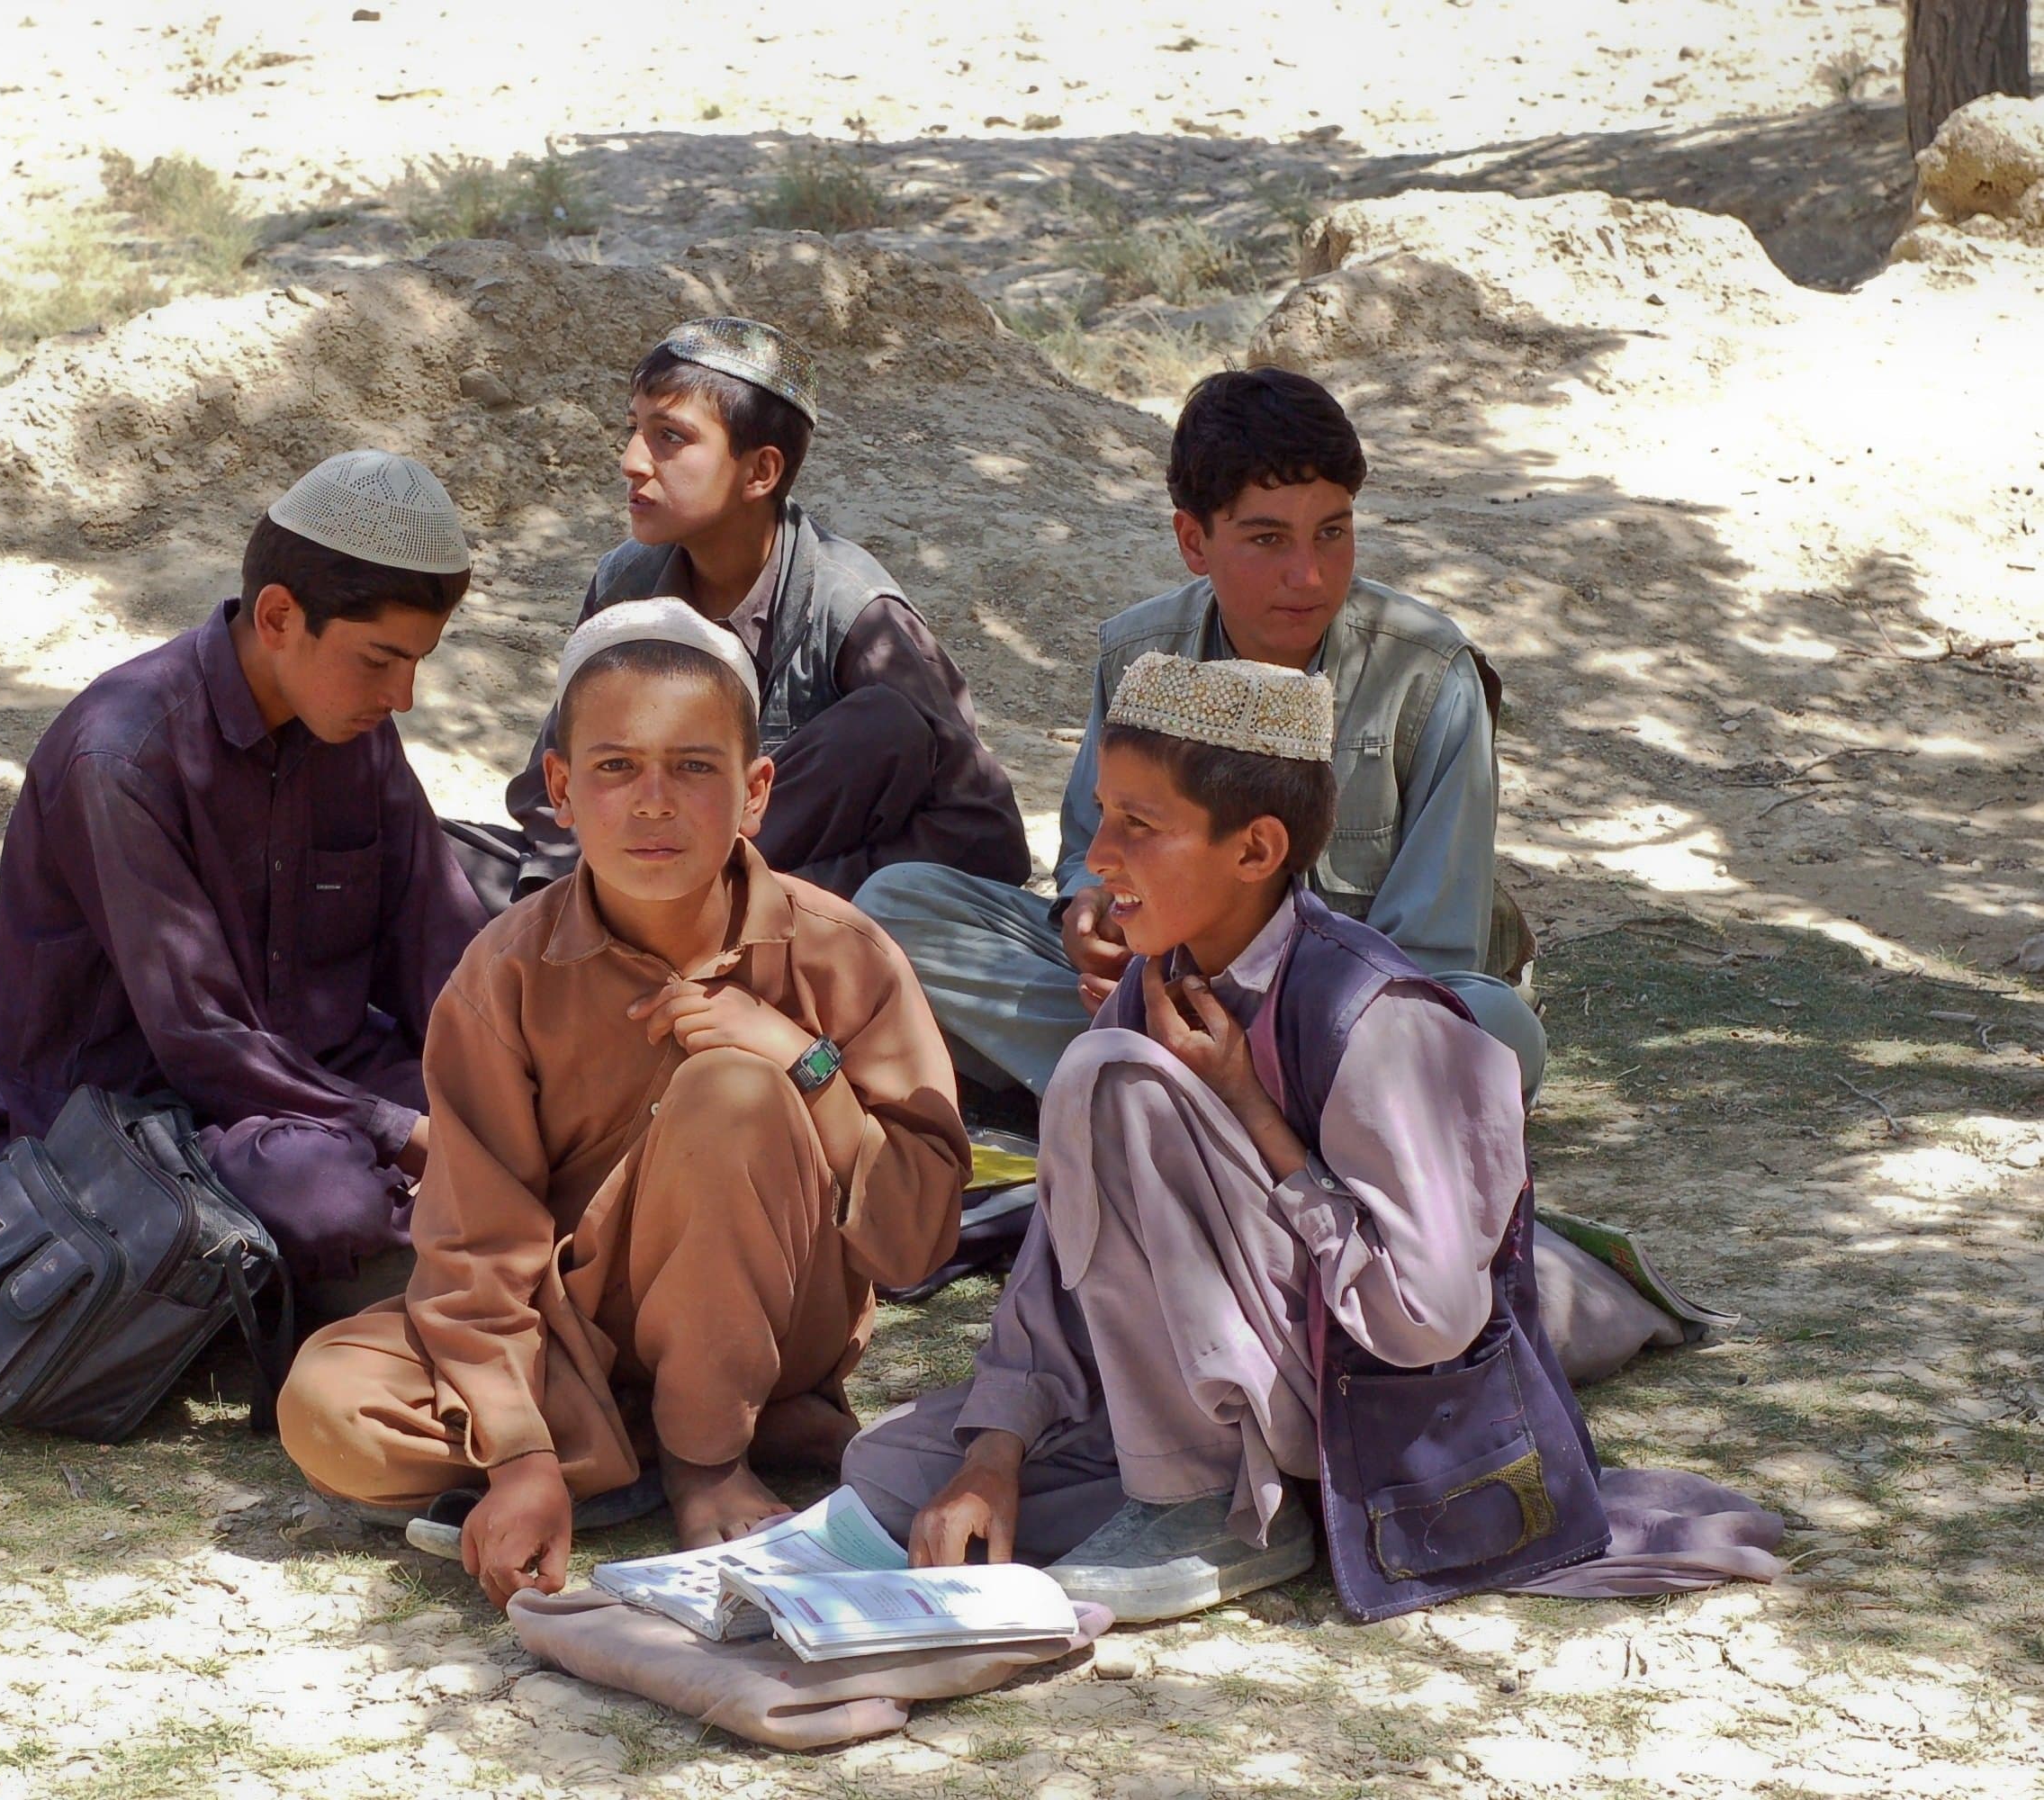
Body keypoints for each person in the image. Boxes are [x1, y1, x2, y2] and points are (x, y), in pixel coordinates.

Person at [842, 654, 1781, 1622]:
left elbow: (1428, 1317)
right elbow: (1058, 1255)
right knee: (889, 1470)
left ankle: (1212, 1503)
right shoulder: (1155, 981)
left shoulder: (1370, 1014)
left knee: (1106, 1077)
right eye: (1104, 815)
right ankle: (1193, 1467)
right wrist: (993, 1453)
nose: (1097, 861)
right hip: (1209, 1376)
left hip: (1354, 1401)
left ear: (1254, 851)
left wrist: (1250, 1107)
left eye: (1139, 825)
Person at [279, 599, 969, 1606]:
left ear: (755, 791)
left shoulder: (841, 955)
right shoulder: (505, 974)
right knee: (328, 1404)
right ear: (559, 786)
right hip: (574, 1334)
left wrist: (803, 1063)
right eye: (614, 766)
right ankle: (604, 1448)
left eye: (694, 766)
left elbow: (915, 1244)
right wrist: (517, 1452)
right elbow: (476, 1249)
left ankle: (705, 1462)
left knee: (734, 1088)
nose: (653, 802)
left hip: (776, 1319)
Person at [0, 452, 488, 1311]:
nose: (405, 696)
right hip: (155, 1109)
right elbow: (201, 1037)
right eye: (381, 660)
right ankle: (468, 1257)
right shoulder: (121, 755)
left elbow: (438, 940)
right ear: (280, 616)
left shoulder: (352, 723)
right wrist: (409, 1136)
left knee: (538, 1114)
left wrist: (498, 1086)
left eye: (418, 662)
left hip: (323, 1072)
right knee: (331, 1200)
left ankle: (456, 1249)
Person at [853, 367, 1547, 1106]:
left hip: (1341, 1014)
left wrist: (1257, 1010)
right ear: (1194, 540)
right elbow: (1095, 855)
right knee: (898, 906)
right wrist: (1090, 916)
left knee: (1498, 1029)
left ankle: (1154, 1080)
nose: (1309, 574)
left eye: (1333, 533)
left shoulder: (1430, 676)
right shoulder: (1140, 656)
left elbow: (1428, 953)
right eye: (1268, 538)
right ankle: (1210, 1086)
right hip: (1160, 991)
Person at [444, 316, 1029, 913]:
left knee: (884, 724)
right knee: (428, 856)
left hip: (769, 909)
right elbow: (552, 791)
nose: (631, 461)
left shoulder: (856, 614)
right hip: (618, 883)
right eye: (633, 430)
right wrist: (571, 902)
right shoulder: (627, 582)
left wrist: (782, 896)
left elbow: (984, 839)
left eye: (669, 437)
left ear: (761, 471)